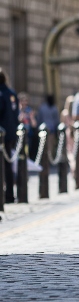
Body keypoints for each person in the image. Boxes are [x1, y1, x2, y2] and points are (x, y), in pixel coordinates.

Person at [0, 69, 19, 204]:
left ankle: (4, 197)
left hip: (2, 134)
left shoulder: (1, 94)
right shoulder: (12, 94)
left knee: (3, 165)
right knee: (8, 165)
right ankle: (10, 195)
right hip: (12, 133)